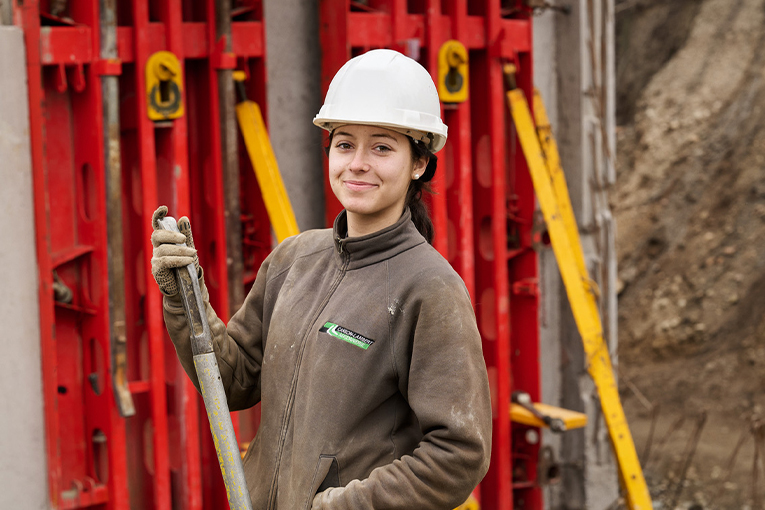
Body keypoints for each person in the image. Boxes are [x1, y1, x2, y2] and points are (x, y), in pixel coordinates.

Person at [150, 48, 492, 510]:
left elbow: (459, 454)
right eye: (345, 143)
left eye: (383, 147)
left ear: (419, 163)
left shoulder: (430, 289)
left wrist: (343, 506)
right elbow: (234, 381)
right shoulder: (295, 259)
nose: (357, 163)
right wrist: (185, 300)